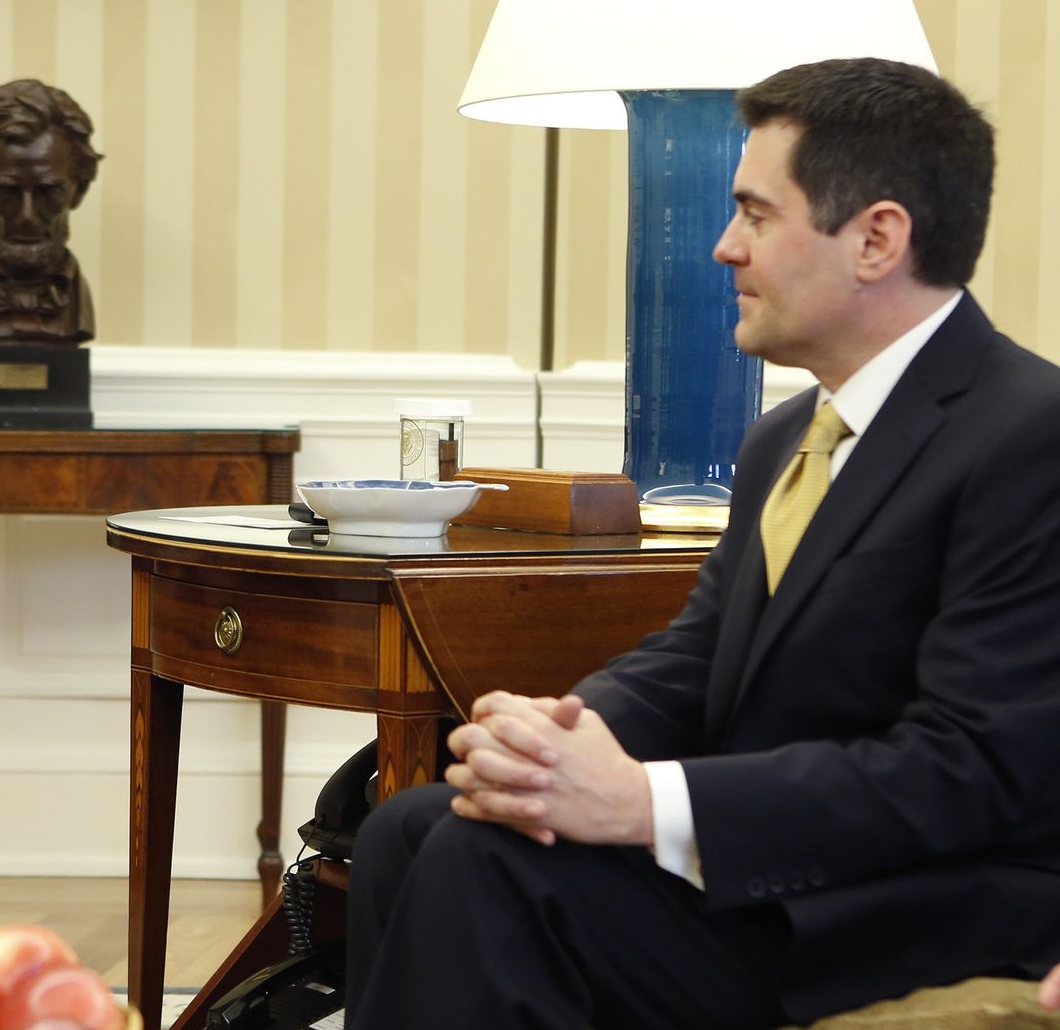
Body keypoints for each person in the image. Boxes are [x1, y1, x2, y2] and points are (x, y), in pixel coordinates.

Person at [347, 57, 1060, 1029]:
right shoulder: (783, 439)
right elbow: (696, 661)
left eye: (757, 215)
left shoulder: (1031, 436)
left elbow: (969, 770)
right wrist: (555, 742)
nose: (726, 247)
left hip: (909, 907)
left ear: (877, 239)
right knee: (414, 827)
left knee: (490, 866)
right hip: (768, 874)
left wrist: (642, 804)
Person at [0, 78, 102, 345]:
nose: (27, 217)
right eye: (5, 193)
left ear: (79, 190)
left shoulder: (77, 308)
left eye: (48, 193)